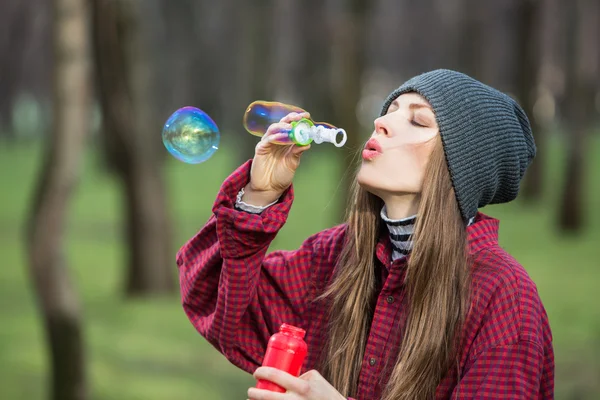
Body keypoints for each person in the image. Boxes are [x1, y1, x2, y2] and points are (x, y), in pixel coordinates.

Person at [176, 69, 555, 400]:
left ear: (463, 169)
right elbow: (216, 301)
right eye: (388, 112)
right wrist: (259, 197)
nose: (381, 124)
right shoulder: (337, 255)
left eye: (418, 122)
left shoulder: (505, 298)